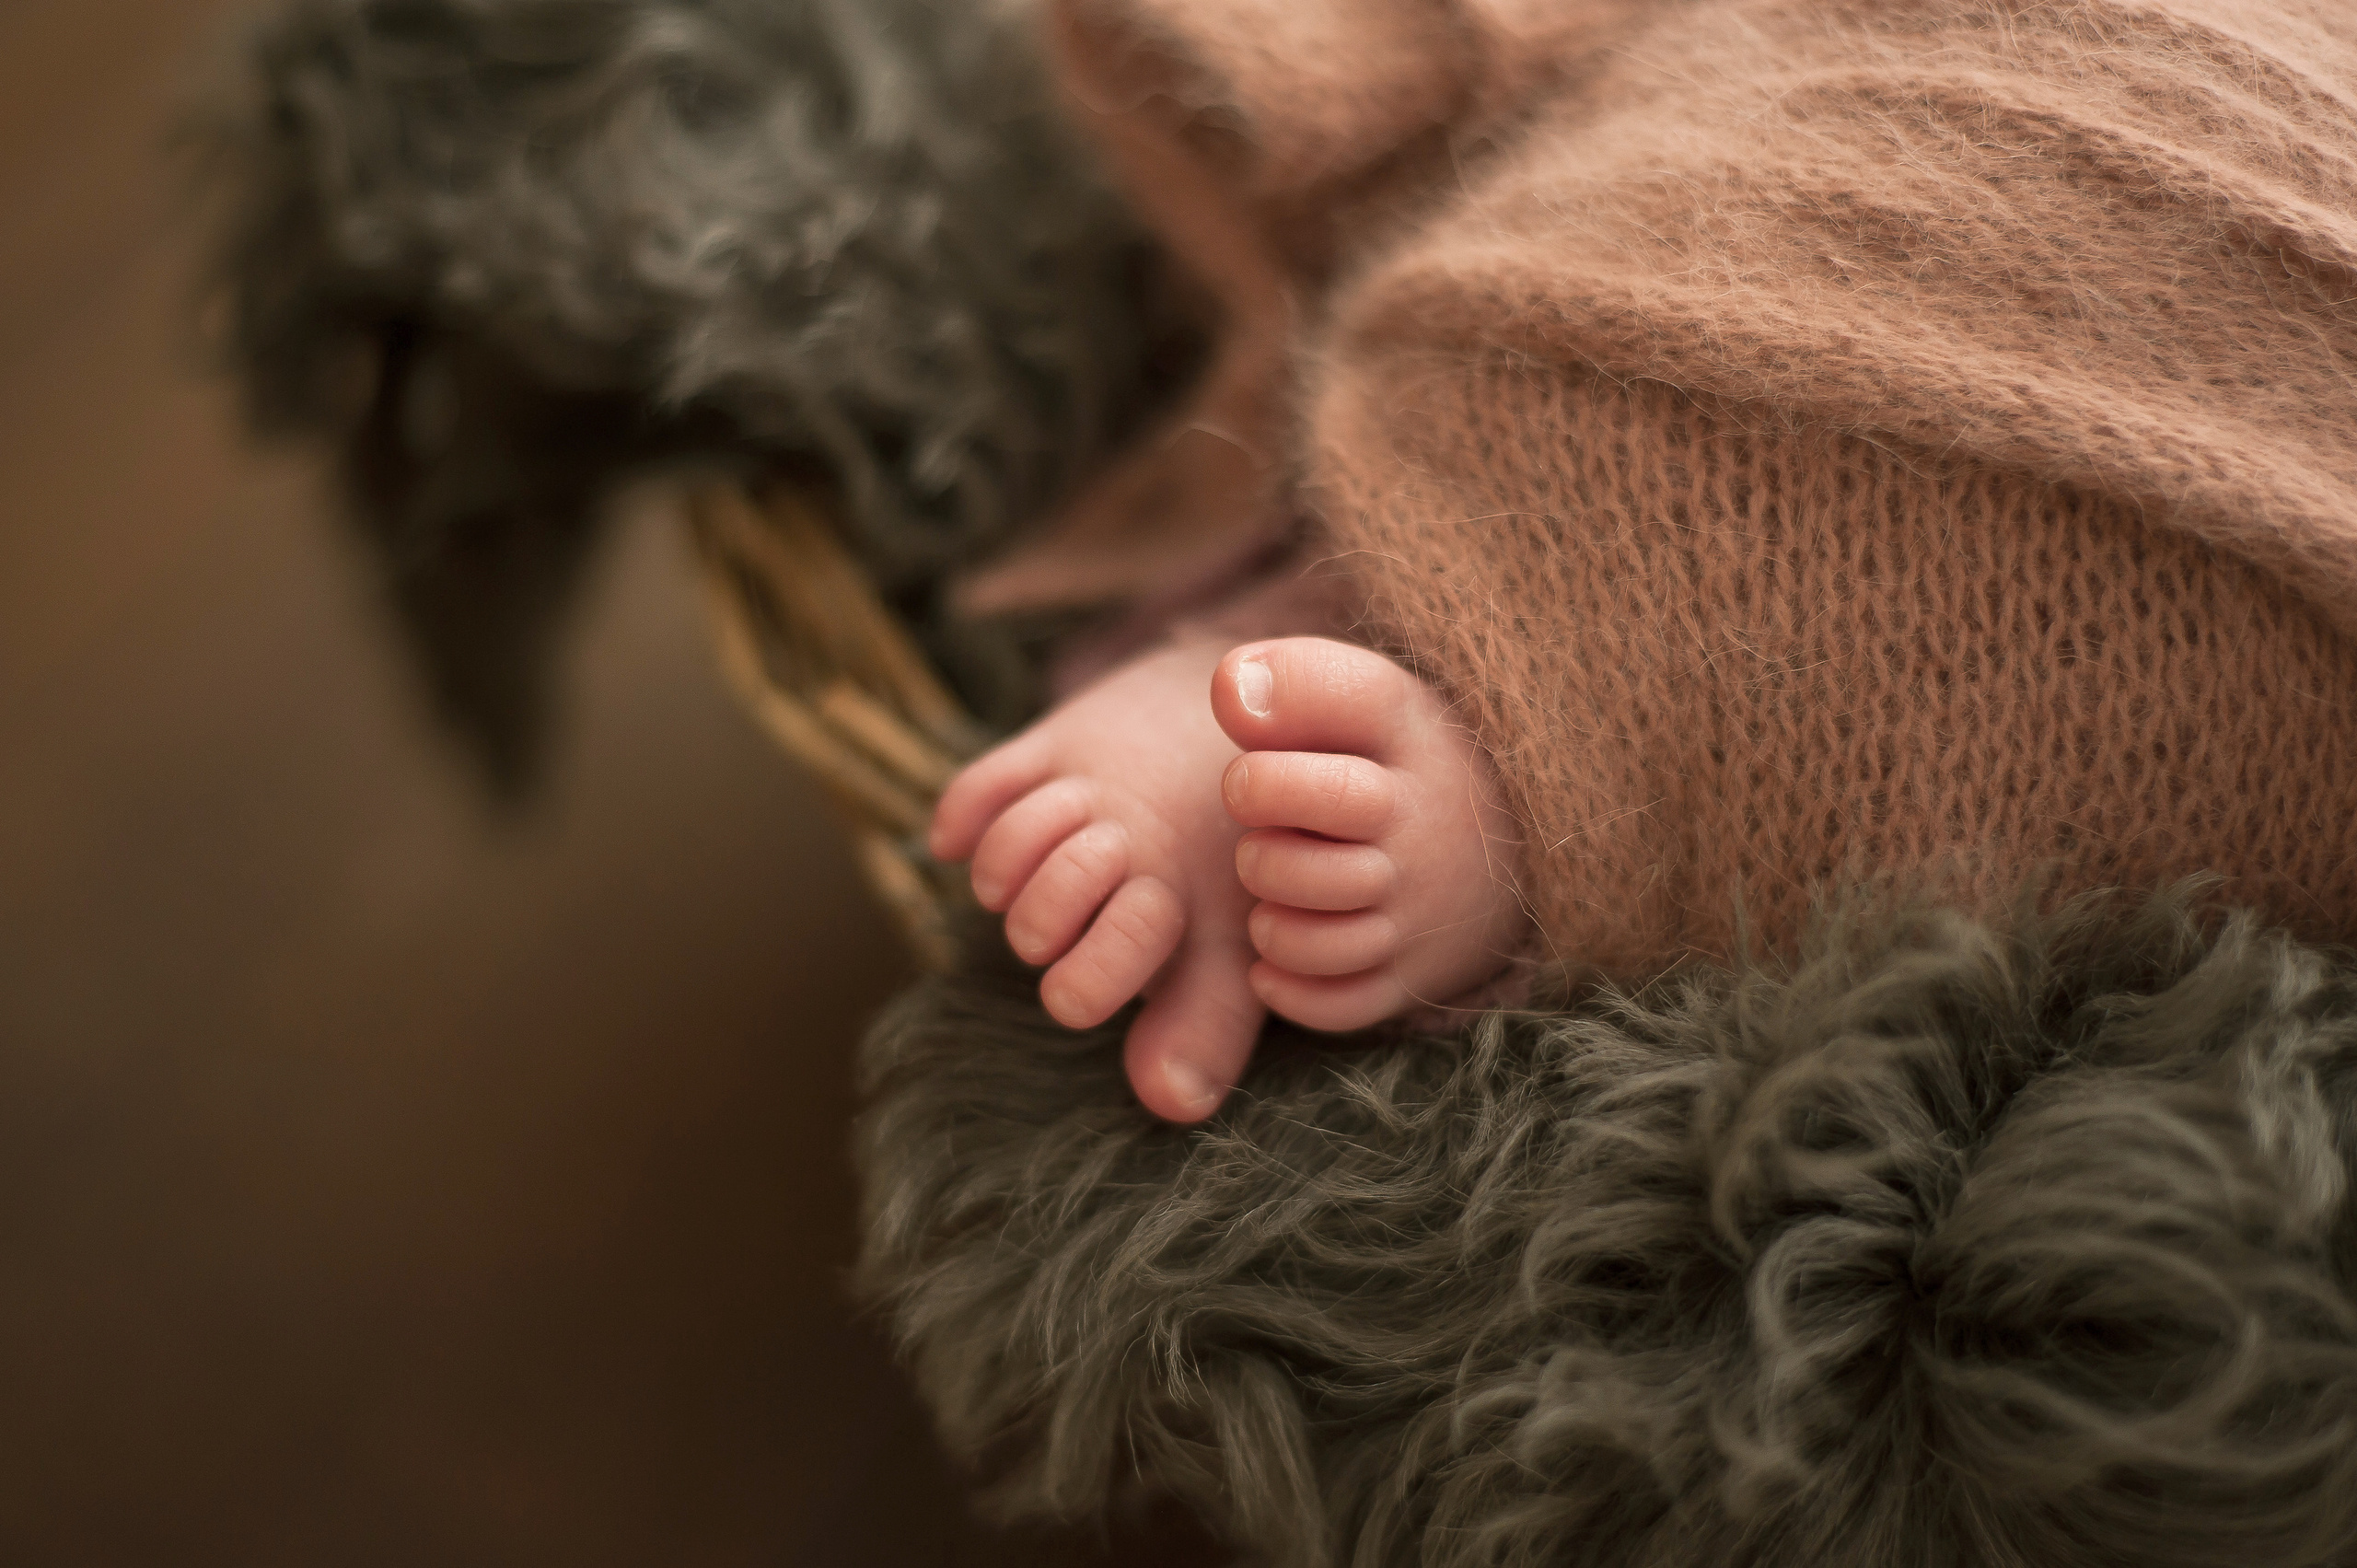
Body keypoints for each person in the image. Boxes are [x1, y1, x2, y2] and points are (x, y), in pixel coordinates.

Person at [937, 0, 2357, 1122]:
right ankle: (1335, 669)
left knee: (2036, 755)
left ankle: (1513, 805)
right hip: (1810, 168)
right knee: (1518, 461)